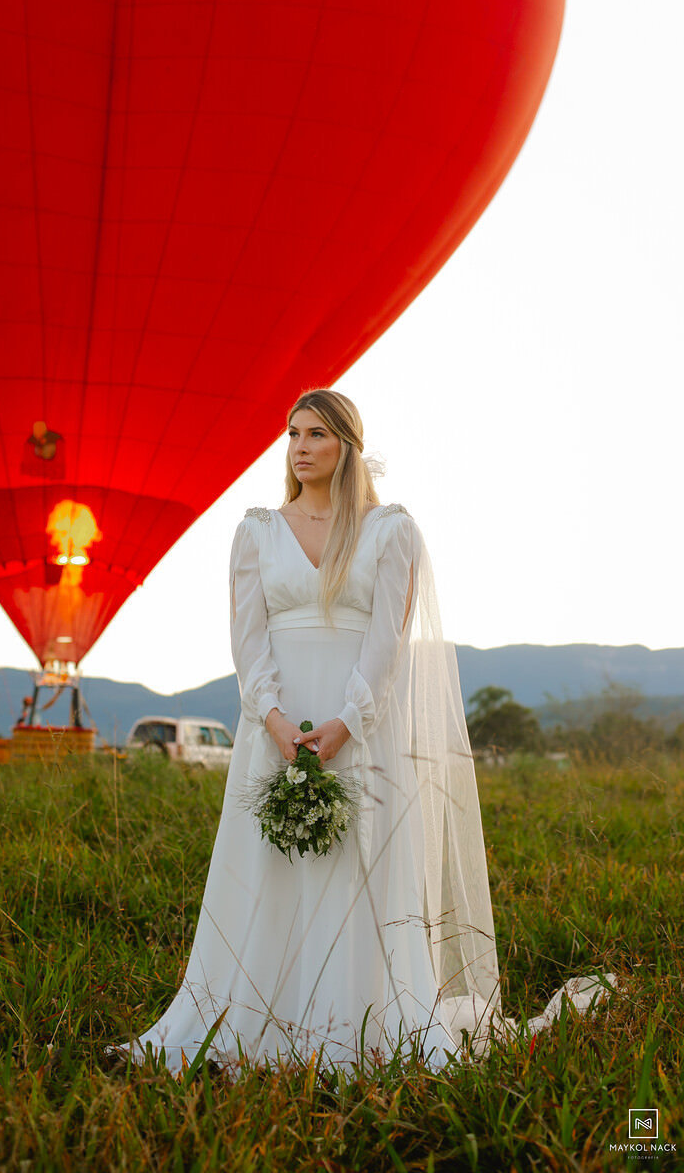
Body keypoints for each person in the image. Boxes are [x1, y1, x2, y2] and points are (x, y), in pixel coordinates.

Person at [111, 388, 614, 1074]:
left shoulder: (391, 530)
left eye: (316, 433)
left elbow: (388, 642)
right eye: (292, 434)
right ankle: (252, 1016)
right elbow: (247, 639)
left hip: (359, 728)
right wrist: (274, 719)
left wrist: (348, 722)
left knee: (356, 870)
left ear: (347, 443)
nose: (300, 447)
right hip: (278, 727)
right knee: (274, 865)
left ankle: (362, 1025)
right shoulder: (255, 530)